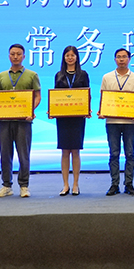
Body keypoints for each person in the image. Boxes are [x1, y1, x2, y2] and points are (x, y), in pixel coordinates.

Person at [0, 43, 41, 198]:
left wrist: (30, 111)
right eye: (12, 54)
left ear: (24, 56)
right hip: (5, 122)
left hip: (24, 121)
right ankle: (6, 185)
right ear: (9, 56)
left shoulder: (32, 75)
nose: (15, 56)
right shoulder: (1, 76)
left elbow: (37, 96)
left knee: (23, 154)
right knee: (5, 154)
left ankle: (24, 186)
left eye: (18, 54)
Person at [100, 48, 134, 196]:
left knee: (130, 153)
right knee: (114, 153)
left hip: (131, 122)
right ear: (115, 60)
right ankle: (114, 184)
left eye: (124, 57)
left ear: (129, 59)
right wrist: (102, 111)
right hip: (112, 121)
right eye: (118, 57)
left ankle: (129, 184)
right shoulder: (107, 77)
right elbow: (103, 97)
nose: (121, 59)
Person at [54, 45, 89, 196]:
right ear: (64, 57)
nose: (70, 58)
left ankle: (75, 184)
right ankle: (65, 185)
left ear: (76, 57)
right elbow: (55, 96)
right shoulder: (59, 75)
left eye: (72, 55)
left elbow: (87, 94)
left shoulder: (83, 74)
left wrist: (87, 109)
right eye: (67, 55)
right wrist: (52, 110)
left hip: (77, 118)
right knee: (64, 151)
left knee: (75, 150)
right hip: (63, 118)